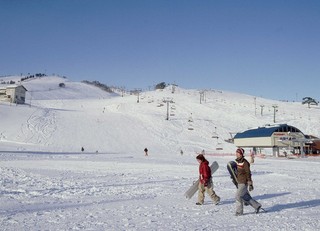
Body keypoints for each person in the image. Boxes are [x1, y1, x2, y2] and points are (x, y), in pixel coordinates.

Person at [234, 148, 261, 216]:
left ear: (241, 154)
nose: (236, 154)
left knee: (238, 196)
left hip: (243, 182)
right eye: (236, 152)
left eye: (238, 153)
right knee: (245, 196)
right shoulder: (237, 161)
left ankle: (239, 212)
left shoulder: (245, 162)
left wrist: (250, 184)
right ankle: (257, 206)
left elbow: (248, 173)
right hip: (239, 181)